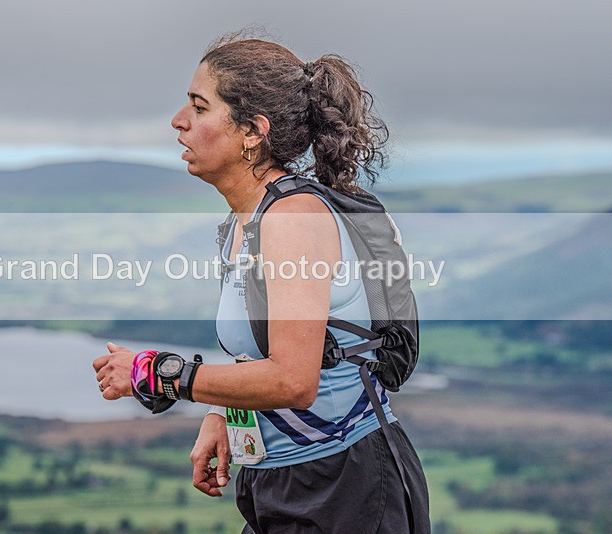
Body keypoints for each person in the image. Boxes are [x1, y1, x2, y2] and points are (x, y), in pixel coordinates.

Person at [93, 35, 430, 533]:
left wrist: (155, 373)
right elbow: (263, 353)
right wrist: (222, 415)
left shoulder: (292, 219)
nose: (178, 120)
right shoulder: (244, 222)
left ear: (252, 131)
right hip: (286, 483)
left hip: (346, 485)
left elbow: (294, 380)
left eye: (199, 105)